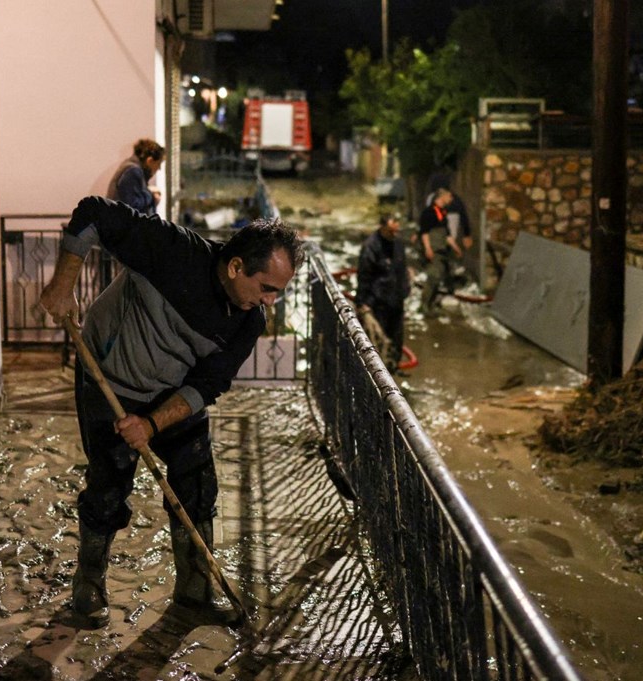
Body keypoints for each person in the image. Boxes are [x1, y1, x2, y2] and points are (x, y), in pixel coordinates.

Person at [38, 196, 301, 627]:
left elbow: (208, 384)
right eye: (267, 287)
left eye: (279, 292)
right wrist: (62, 285)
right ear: (236, 267)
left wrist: (152, 422)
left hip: (170, 398)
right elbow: (92, 213)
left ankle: (194, 591)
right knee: (108, 486)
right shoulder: (171, 251)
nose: (271, 301)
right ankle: (88, 585)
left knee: (197, 487)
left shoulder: (247, 321)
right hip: (109, 382)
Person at [356, 213, 410, 371]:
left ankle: (393, 368)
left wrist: (405, 288)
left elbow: (402, 268)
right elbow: (364, 275)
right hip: (378, 301)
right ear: (383, 227)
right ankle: (380, 375)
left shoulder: (398, 244)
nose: (394, 234)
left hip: (396, 298)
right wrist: (362, 302)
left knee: (396, 338)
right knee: (379, 341)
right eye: (391, 230)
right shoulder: (371, 246)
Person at [419, 188, 462, 313]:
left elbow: (447, 235)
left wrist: (456, 248)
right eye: (449, 196)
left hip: (442, 249)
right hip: (434, 249)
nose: (451, 199)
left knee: (438, 278)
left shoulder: (443, 214)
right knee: (433, 277)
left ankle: (431, 304)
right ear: (442, 196)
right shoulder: (429, 213)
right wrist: (427, 248)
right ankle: (424, 305)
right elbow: (425, 233)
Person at [107, 138, 166, 215]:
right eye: (158, 164)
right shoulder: (133, 171)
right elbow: (131, 205)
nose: (159, 168)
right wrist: (152, 197)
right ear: (150, 161)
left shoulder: (131, 167)